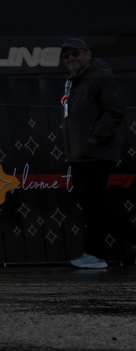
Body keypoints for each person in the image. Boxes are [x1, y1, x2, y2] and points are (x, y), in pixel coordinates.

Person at [60, 38, 128, 268]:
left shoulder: (101, 76)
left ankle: (95, 255)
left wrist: (95, 139)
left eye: (75, 54)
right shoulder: (73, 82)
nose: (70, 59)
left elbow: (116, 111)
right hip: (81, 155)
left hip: (97, 153)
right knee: (93, 206)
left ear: (88, 54)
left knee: (94, 206)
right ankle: (98, 253)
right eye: (66, 56)